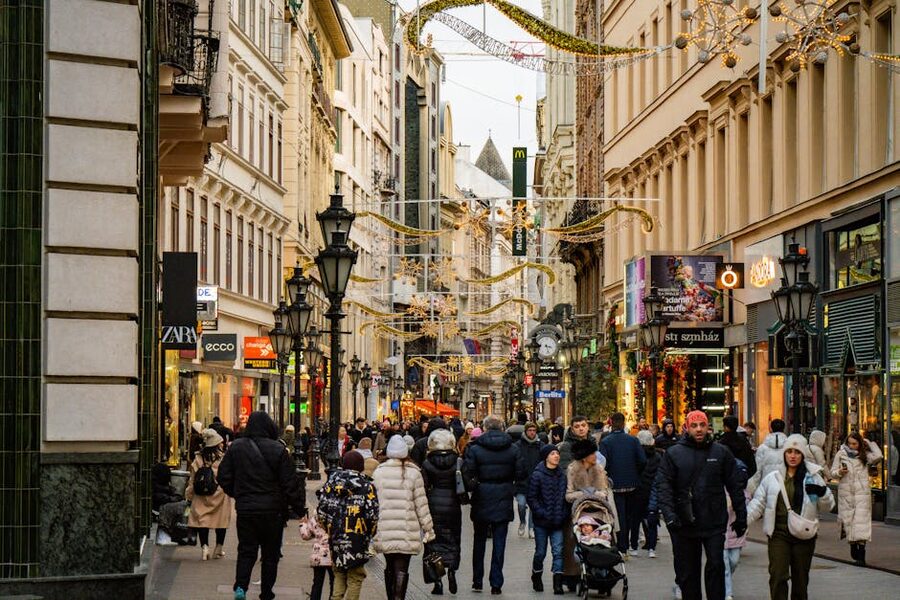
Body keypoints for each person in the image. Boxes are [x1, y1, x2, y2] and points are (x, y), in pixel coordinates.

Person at [657, 410, 747, 600]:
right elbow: (664, 487)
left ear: (708, 427)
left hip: (714, 521)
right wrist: (669, 515)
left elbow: (734, 485)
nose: (698, 429)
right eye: (694, 425)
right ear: (687, 428)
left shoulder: (721, 452)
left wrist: (741, 516)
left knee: (716, 565)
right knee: (689, 573)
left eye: (702, 425)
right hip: (684, 522)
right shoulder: (674, 453)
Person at [218, 411, 305, 600]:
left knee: (246, 550)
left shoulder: (236, 448)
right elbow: (290, 484)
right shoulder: (278, 450)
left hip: (246, 509)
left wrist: (238, 493)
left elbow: (223, 476)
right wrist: (300, 509)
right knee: (270, 554)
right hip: (272, 511)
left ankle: (241, 587)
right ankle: (266, 592)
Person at [746, 434, 833, 600]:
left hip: (804, 535)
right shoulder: (772, 478)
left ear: (802, 454)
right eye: (789, 451)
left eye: (797, 452)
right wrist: (743, 522)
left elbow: (828, 506)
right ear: (784, 453)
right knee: (778, 576)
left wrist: (823, 494)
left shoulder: (813, 476)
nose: (793, 456)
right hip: (779, 534)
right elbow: (758, 503)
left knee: (801, 581)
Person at [463, 415, 522, 594]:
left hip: (482, 497)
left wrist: (475, 486)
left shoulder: (474, 448)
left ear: (485, 428)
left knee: (479, 540)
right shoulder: (513, 448)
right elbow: (521, 473)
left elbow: (468, 473)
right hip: (503, 496)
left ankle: (477, 580)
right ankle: (496, 582)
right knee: (499, 541)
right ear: (502, 427)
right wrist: (511, 486)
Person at [373, 435, 436, 599]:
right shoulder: (414, 473)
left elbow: (374, 503)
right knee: (402, 568)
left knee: (389, 566)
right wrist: (428, 528)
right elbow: (421, 504)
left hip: (385, 527)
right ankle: (399, 597)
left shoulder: (379, 472)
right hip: (407, 528)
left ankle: (390, 597)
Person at [317, 451, 379, 600]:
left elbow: (322, 511)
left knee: (339, 573)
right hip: (358, 538)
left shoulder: (331, 483)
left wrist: (329, 528)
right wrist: (369, 533)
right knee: (355, 576)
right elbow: (373, 515)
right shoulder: (366, 486)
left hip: (337, 536)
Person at [831, 431, 882, 566]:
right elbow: (832, 473)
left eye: (855, 443)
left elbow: (879, 455)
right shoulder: (841, 454)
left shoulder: (864, 455)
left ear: (860, 444)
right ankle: (853, 546)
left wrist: (869, 443)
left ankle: (861, 553)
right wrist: (839, 472)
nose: (852, 446)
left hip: (862, 493)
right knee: (849, 523)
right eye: (850, 443)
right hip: (846, 493)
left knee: (861, 523)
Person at [422, 429, 463, 595]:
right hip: (453, 505)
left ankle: (437, 580)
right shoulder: (458, 461)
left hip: (433, 505)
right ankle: (452, 570)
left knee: (433, 542)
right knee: (453, 539)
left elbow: (424, 486)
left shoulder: (427, 463)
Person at [600, 412, 647, 556]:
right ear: (624, 422)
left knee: (619, 516)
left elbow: (602, 463)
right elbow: (643, 460)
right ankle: (632, 544)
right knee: (632, 516)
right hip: (632, 483)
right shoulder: (633, 440)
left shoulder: (606, 442)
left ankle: (622, 547)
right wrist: (635, 473)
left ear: (611, 423)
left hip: (615, 484)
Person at [527, 444, 569, 594]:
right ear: (546, 457)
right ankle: (536, 575)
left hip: (558, 521)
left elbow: (565, 498)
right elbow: (532, 498)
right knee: (541, 552)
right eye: (552, 454)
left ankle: (557, 583)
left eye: (557, 454)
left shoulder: (562, 475)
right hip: (541, 522)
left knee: (558, 551)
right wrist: (541, 513)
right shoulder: (537, 474)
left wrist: (563, 513)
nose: (556, 456)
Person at [185, 428, 231, 560]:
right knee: (220, 521)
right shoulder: (222, 459)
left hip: (201, 495)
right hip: (220, 494)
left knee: (202, 522)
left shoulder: (198, 459)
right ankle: (218, 548)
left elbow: (192, 481)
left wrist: (188, 496)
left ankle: (205, 547)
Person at [723, 459, 751, 600]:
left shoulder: (746, 494)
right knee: (725, 565)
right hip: (721, 533)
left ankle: (724, 580)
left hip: (736, 534)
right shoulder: (721, 491)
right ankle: (727, 592)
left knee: (733, 561)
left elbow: (749, 511)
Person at [635, 430, 660, 558]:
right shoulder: (657, 456)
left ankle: (634, 545)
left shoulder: (636, 455)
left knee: (638, 518)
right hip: (653, 490)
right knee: (651, 518)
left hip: (639, 490)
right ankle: (651, 545)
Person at [515, 422, 542, 538]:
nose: (532, 432)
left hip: (535, 481)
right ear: (525, 431)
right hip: (521, 481)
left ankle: (532, 528)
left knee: (533, 507)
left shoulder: (540, 445)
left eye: (534, 430)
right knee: (521, 504)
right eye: (530, 430)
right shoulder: (518, 445)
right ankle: (522, 522)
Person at [299, 512, 334, 600]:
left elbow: (306, 535)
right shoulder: (336, 513)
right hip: (333, 554)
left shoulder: (315, 517)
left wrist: (303, 524)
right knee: (334, 582)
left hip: (318, 555)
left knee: (317, 582)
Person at [748, 418, 788, 493]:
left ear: (771, 429)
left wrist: (755, 488)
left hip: (766, 486)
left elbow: (757, 470)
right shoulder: (789, 447)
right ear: (784, 429)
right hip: (785, 486)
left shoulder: (762, 448)